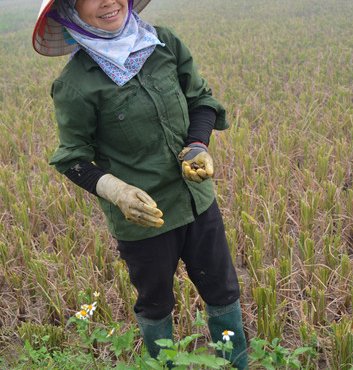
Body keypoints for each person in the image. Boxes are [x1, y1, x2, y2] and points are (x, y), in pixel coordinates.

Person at [32, 0, 248, 368]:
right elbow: (72, 158)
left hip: (197, 201)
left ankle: (237, 363)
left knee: (223, 291)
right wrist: (117, 191)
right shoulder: (75, 84)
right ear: (71, 10)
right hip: (144, 219)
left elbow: (201, 100)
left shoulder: (163, 44)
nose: (107, 2)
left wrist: (197, 145)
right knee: (155, 302)